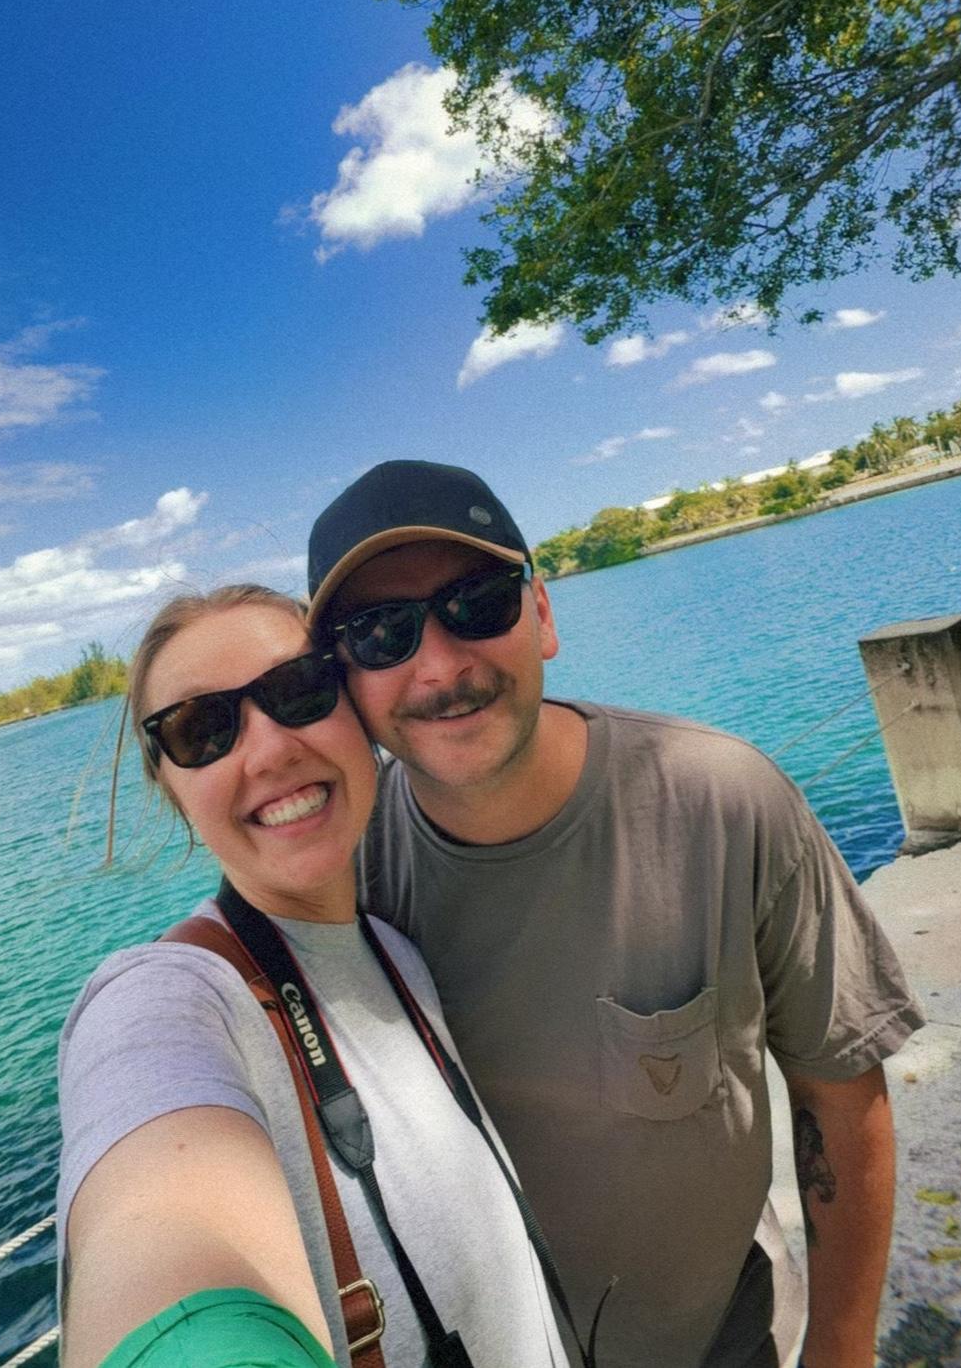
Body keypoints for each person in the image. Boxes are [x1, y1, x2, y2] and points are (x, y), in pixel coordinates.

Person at [305, 461, 926, 1368]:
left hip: (722, 1337)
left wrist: (841, 1347)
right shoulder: (344, 884)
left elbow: (840, 1090)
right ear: (344, 685)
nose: (440, 666)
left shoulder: (721, 802)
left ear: (543, 615)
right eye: (380, 635)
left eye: (478, 603)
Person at [55, 584, 573, 1368]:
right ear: (170, 784)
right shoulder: (170, 1001)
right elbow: (158, 1227)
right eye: (203, 730)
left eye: (298, 690)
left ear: (355, 709)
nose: (268, 751)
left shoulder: (393, 949)